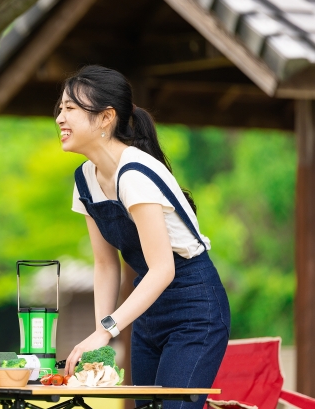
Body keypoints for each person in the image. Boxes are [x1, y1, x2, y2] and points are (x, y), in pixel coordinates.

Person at [59, 66, 230, 408]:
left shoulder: (135, 173)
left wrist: (106, 328)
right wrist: (101, 338)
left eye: (71, 109)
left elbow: (163, 269)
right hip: (146, 312)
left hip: (194, 307)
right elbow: (106, 265)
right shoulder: (84, 180)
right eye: (60, 108)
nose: (60, 118)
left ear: (106, 117)